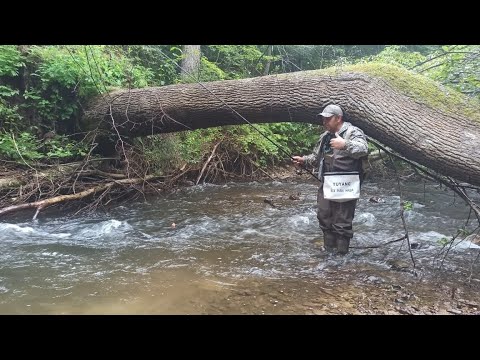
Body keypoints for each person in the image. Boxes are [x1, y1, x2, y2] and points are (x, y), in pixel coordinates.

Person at [292, 104, 368, 255]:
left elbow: (363, 149)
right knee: (324, 217)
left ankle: (341, 258)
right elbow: (316, 157)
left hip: (347, 185)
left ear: (338, 118)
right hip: (327, 184)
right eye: (323, 119)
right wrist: (303, 160)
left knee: (342, 222)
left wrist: (345, 144)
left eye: (327, 119)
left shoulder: (353, 132)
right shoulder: (325, 136)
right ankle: (329, 253)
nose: (324, 122)